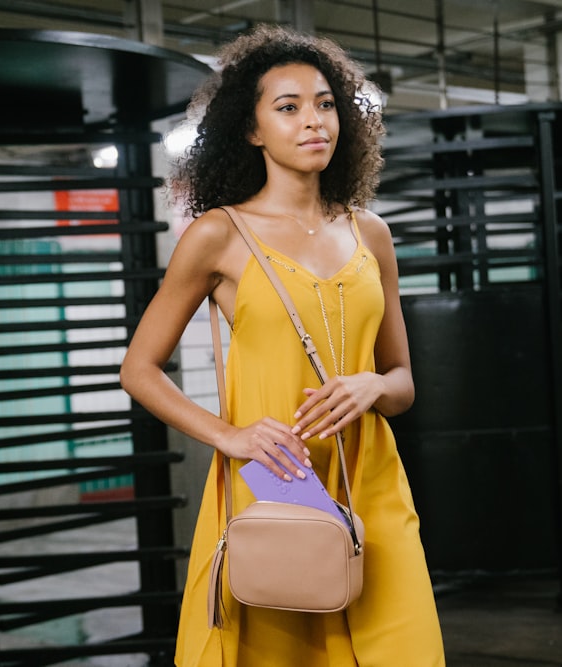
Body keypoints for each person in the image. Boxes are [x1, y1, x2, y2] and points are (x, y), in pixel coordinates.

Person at [119, 24, 445, 667]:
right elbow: (138, 369)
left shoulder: (371, 234)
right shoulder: (218, 235)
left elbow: (403, 382)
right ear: (251, 129)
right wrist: (229, 436)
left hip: (373, 487)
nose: (314, 120)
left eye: (325, 103)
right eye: (288, 107)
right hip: (277, 485)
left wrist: (374, 385)